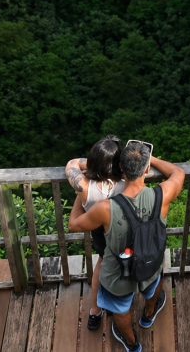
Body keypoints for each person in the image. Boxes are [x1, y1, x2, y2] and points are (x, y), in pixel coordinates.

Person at [68, 142, 185, 352]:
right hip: (151, 261)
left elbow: (74, 224)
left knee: (120, 309)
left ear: (120, 167)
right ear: (147, 169)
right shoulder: (162, 194)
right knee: (153, 284)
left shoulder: (104, 208)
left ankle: (133, 345)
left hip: (118, 272)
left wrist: (82, 196)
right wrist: (150, 159)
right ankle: (148, 316)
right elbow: (178, 172)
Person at [64, 135, 125, 330]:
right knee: (122, 268)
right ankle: (119, 306)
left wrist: (91, 164)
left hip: (102, 237)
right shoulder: (127, 184)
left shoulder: (84, 188)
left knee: (101, 266)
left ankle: (95, 311)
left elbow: (72, 163)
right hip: (124, 235)